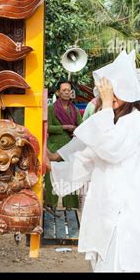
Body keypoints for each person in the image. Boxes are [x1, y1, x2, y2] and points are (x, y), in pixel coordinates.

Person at [47, 50, 140, 272]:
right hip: (104, 205)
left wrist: (105, 105)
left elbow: (108, 149)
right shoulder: (113, 119)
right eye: (107, 93)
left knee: (118, 263)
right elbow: (88, 155)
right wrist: (53, 164)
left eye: (114, 92)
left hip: (123, 211)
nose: (110, 97)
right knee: (101, 264)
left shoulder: (137, 121)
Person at [45, 80, 82, 208]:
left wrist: (75, 129)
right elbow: (47, 127)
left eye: (69, 90)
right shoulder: (51, 108)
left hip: (70, 148)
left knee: (71, 176)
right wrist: (64, 127)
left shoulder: (74, 109)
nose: (67, 93)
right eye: (64, 90)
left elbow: (81, 127)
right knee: (51, 176)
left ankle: (70, 207)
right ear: (57, 92)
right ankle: (50, 205)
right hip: (54, 147)